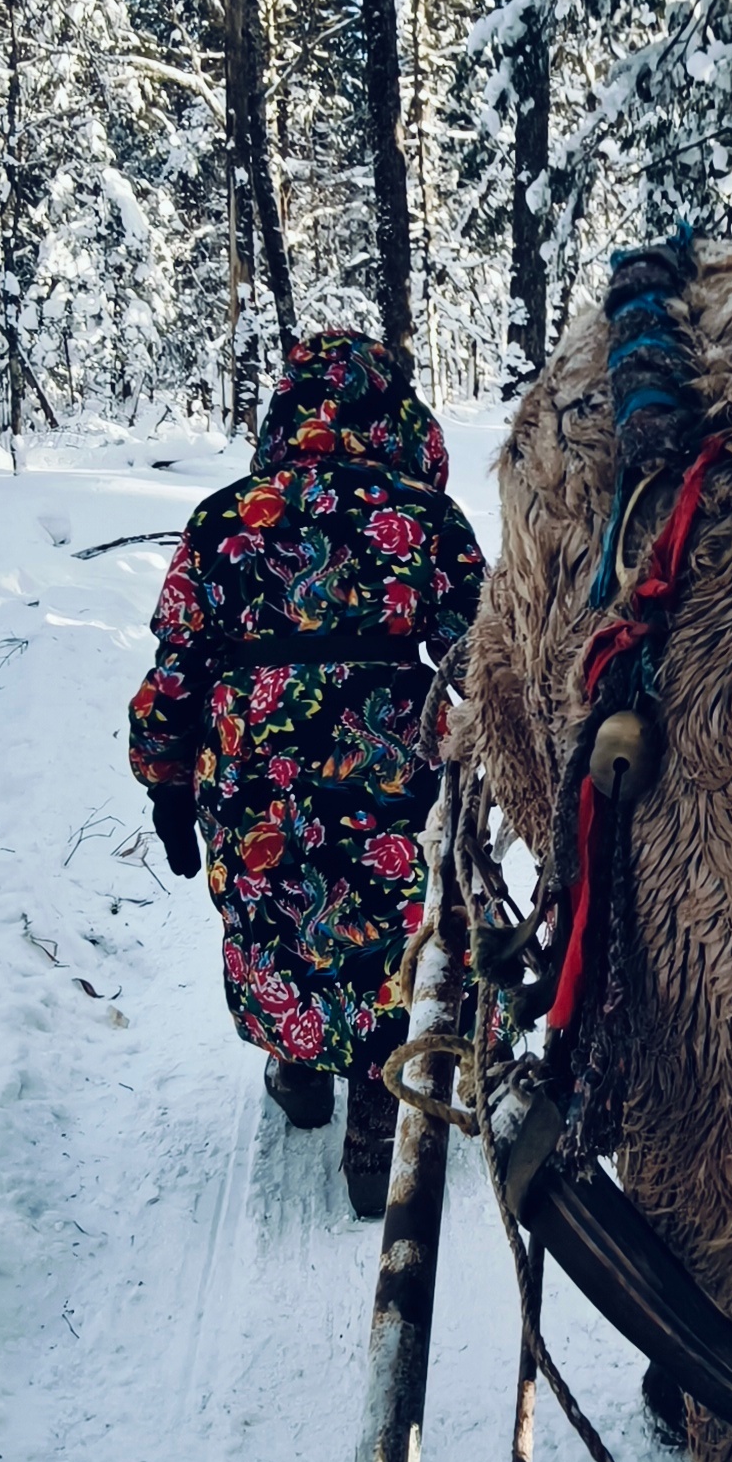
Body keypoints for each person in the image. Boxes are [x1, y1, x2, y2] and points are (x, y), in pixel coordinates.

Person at [130, 327, 485, 1216]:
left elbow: (176, 670)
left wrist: (166, 780)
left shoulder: (222, 520)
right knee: (390, 920)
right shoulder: (425, 517)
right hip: (389, 769)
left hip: (255, 775)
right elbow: (485, 660)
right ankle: (378, 1102)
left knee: (277, 908)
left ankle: (297, 1062)